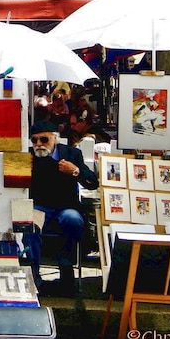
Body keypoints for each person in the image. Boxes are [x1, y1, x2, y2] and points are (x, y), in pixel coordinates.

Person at [25, 119, 98, 294]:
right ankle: (34, 276)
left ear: (54, 138)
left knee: (71, 219)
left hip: (66, 206)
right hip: (39, 207)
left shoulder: (72, 154)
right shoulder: (29, 157)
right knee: (27, 225)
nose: (38, 144)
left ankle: (66, 271)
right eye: (34, 141)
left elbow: (92, 182)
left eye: (44, 140)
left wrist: (75, 171)